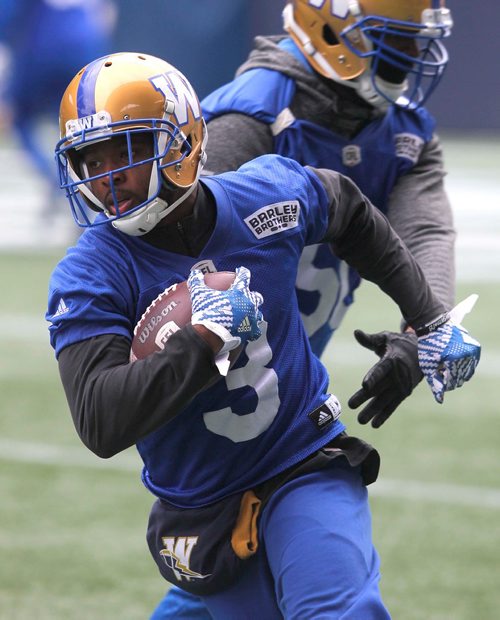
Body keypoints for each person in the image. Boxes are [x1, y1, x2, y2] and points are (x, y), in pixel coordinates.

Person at [46, 52, 479, 619]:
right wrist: (199, 343)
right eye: (88, 159)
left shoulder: (263, 195)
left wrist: (429, 320)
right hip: (202, 503)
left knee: (340, 611)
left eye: (122, 153)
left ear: (179, 142)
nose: (106, 179)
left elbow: (349, 209)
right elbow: (100, 421)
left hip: (301, 455)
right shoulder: (90, 273)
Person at [153, 1, 458, 616]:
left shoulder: (402, 129)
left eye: (412, 44)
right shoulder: (249, 117)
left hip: (284, 389)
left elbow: (425, 235)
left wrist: (420, 331)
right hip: (220, 388)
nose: (409, 60)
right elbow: (173, 259)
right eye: (394, 43)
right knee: (245, 565)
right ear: (331, 27)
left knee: (227, 575)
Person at [0, 0, 117, 223]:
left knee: (18, 117)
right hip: (88, 48)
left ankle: (57, 182)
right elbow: (107, 16)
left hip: (43, 50)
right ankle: (87, 190)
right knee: (83, 125)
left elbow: (7, 18)